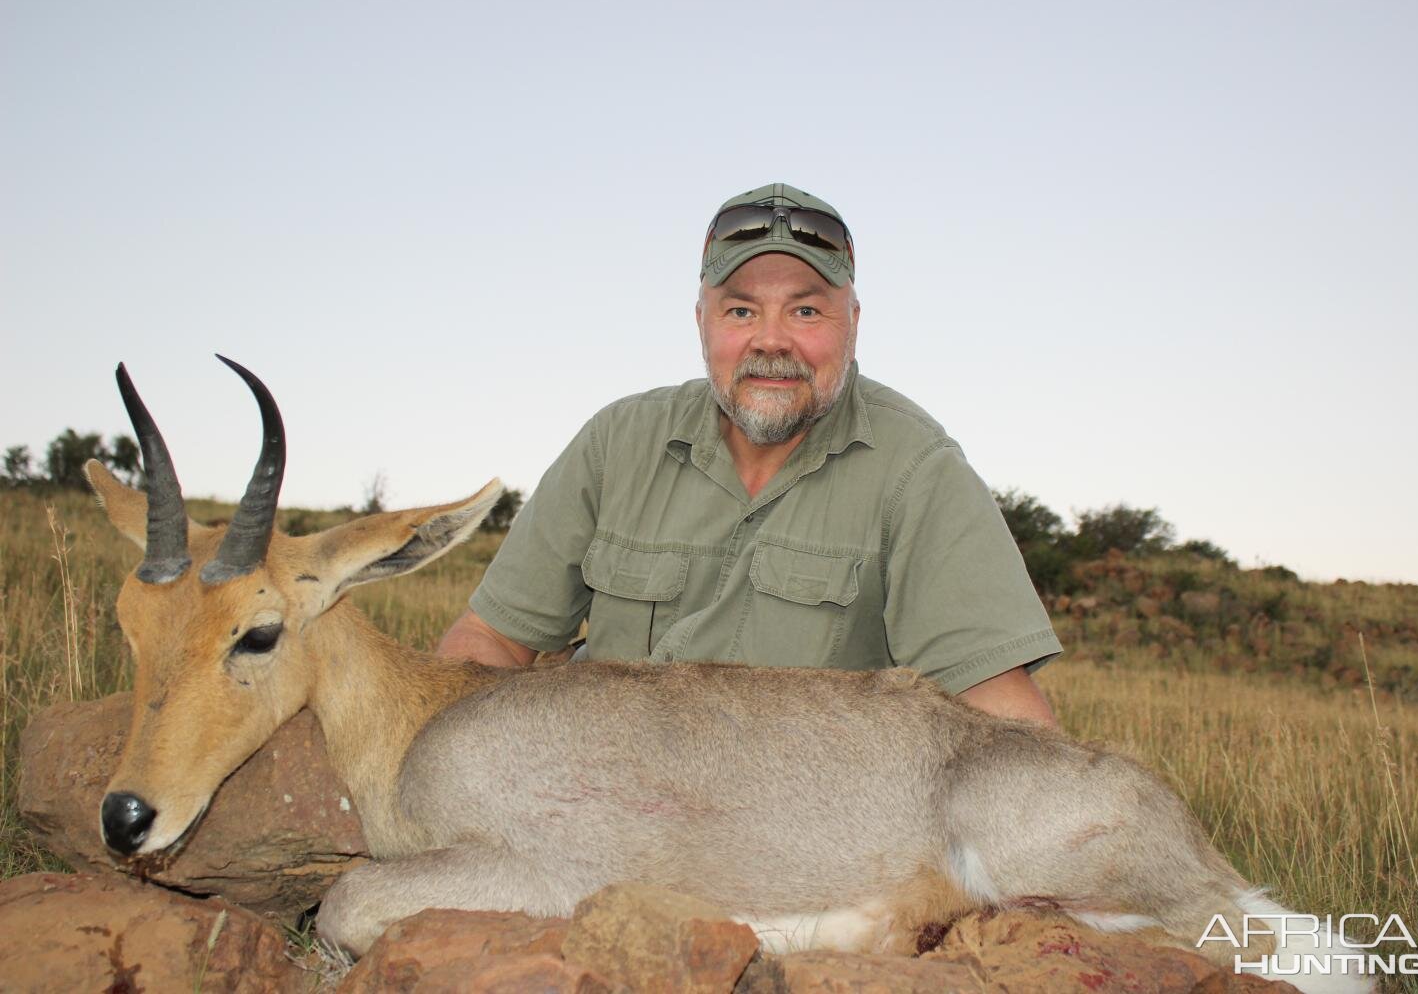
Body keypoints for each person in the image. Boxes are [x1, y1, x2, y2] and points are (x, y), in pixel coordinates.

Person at [438, 183, 1062, 726]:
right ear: (701, 322)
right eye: (741, 310)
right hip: (603, 813)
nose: (771, 340)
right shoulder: (615, 442)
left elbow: (1000, 708)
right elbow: (491, 640)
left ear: (854, 322)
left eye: (806, 310)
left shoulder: (919, 470)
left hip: (797, 841)